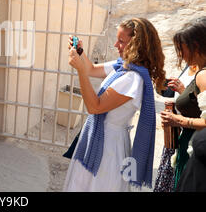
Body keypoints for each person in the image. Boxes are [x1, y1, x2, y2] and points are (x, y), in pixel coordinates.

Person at [63, 17, 166, 191]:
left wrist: (80, 71)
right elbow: (92, 69)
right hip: (102, 138)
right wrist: (80, 52)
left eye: (121, 41)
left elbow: (94, 106)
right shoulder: (124, 67)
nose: (116, 45)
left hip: (108, 147)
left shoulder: (132, 78)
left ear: (136, 45)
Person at [160, 17, 206, 191]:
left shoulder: (203, 76)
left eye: (181, 48)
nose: (180, 54)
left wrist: (176, 120)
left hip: (197, 152)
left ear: (196, 46)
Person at [153, 64, 199, 192]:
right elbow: (170, 93)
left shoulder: (203, 72)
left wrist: (183, 90)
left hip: (193, 138)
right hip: (177, 134)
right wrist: (159, 81)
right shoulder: (190, 66)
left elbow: (200, 109)